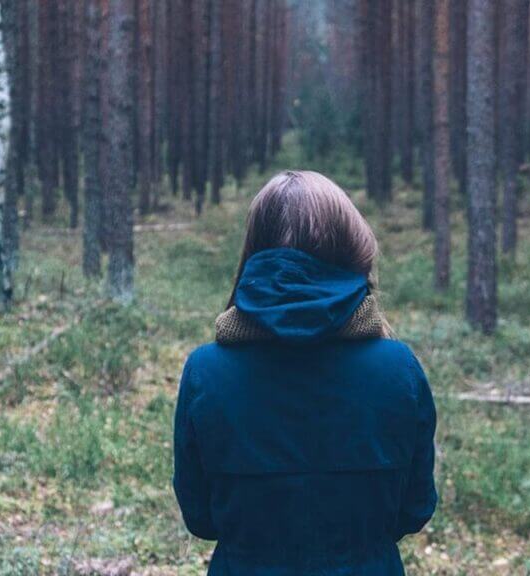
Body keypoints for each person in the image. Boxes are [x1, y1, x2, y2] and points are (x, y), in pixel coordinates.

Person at [173, 171, 437, 575]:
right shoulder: (399, 369)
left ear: (254, 250)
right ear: (351, 249)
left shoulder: (205, 372)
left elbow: (201, 519)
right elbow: (415, 510)